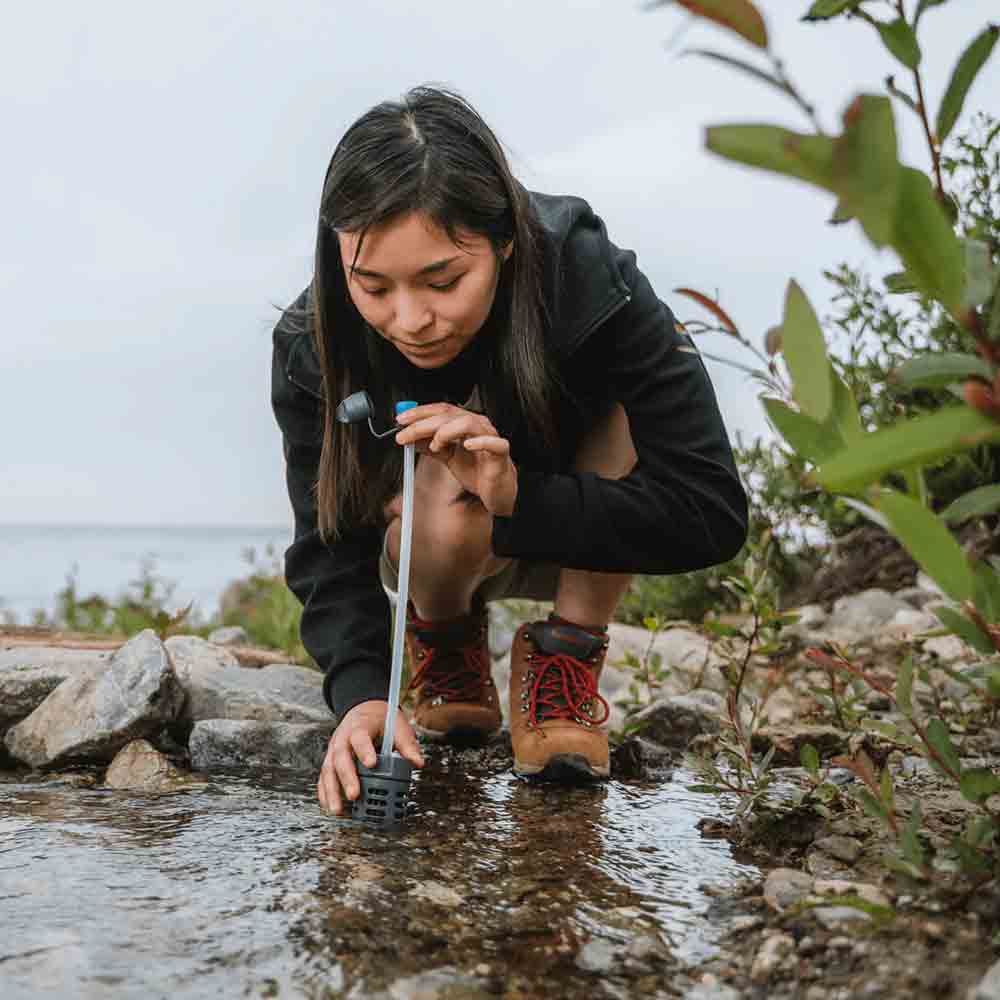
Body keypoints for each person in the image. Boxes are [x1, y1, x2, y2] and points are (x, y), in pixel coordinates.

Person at [271, 86, 748, 816]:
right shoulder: (313, 342)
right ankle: (444, 641)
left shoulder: (595, 284)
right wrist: (363, 695)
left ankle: (567, 652)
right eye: (372, 286)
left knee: (620, 411)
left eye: (443, 280)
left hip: (576, 522)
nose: (411, 320)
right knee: (429, 459)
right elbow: (325, 546)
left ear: (505, 240)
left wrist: (519, 497)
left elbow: (711, 511)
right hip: (432, 539)